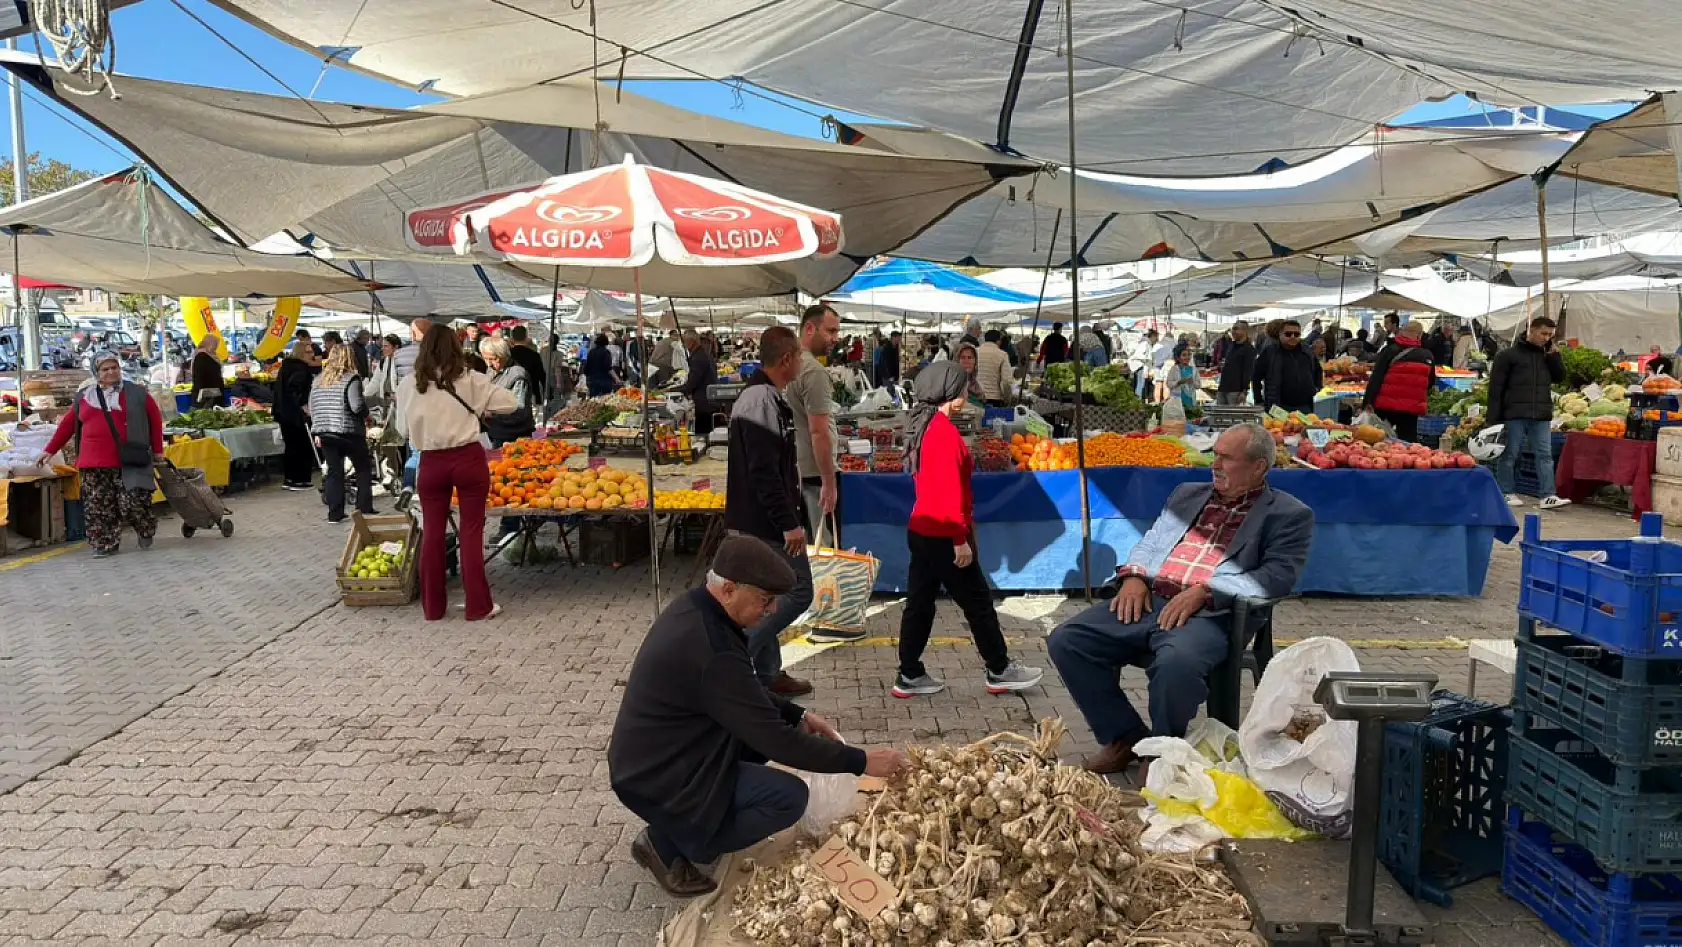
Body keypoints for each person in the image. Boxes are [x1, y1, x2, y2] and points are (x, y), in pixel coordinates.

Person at [609, 536, 908, 896]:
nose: (770, 611)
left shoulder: (698, 608)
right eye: (765, 601)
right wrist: (859, 761)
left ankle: (685, 826)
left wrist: (798, 713)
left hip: (658, 756)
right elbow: (777, 740)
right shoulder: (711, 645)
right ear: (730, 589)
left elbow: (742, 691)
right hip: (656, 774)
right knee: (788, 797)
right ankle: (672, 844)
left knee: (756, 739)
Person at [1049, 423, 1313, 774]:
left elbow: (1274, 578)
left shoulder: (1289, 514)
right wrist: (1135, 575)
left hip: (1212, 614)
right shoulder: (1187, 493)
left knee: (1177, 664)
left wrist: (1207, 592)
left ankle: (1163, 750)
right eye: (1214, 455)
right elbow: (1152, 541)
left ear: (1258, 467)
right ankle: (1125, 738)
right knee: (1067, 641)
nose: (1214, 465)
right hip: (1151, 598)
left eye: (1226, 458)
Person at [893, 361, 1044, 698]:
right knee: (977, 601)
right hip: (943, 532)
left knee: (920, 602)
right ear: (952, 394)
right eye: (963, 387)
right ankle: (1000, 668)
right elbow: (948, 492)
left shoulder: (924, 425)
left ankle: (909, 672)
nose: (967, 392)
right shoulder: (943, 433)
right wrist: (960, 540)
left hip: (923, 528)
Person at [397, 324, 520, 621]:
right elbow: (511, 403)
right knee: (471, 532)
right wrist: (481, 407)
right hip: (467, 459)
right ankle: (479, 606)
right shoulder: (471, 379)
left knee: (432, 535)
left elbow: (401, 429)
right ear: (455, 347)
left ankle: (433, 608)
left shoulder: (409, 384)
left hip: (431, 463)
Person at [724, 327, 817, 695]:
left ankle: (767, 674)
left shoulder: (764, 396)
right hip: (762, 523)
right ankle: (737, 656)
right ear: (787, 359)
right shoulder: (761, 401)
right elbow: (763, 472)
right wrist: (788, 523)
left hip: (759, 520)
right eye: (798, 355)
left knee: (770, 596)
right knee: (798, 591)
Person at [38, 351, 165, 558]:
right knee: (97, 506)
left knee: (133, 501)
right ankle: (104, 543)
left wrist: (158, 450)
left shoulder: (137, 393)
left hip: (128, 459)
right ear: (97, 372)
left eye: (114, 367)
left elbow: (155, 420)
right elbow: (68, 425)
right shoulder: (84, 396)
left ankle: (145, 527)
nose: (111, 372)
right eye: (105, 369)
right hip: (92, 461)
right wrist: (49, 450)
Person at [1488, 317, 1571, 510]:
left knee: (1545, 455)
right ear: (1530, 331)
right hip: (1514, 413)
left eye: (1550, 334)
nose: (1546, 338)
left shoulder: (1547, 355)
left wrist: (1555, 357)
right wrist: (1493, 419)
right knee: (1510, 454)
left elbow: (1560, 378)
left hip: (1540, 413)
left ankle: (1548, 495)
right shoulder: (1507, 355)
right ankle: (1506, 491)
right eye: (1543, 333)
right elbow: (1495, 388)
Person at [308, 345, 376, 524]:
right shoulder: (351, 378)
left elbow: (312, 407)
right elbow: (357, 406)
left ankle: (335, 513)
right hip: (349, 431)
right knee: (362, 468)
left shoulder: (318, 380)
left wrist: (317, 430)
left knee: (334, 472)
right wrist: (367, 416)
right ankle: (364, 507)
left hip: (325, 432)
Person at [1362, 322, 1436, 443]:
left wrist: (1367, 402)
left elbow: (1376, 378)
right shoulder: (1427, 356)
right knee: (1407, 443)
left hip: (1385, 406)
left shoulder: (1389, 351)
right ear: (1419, 335)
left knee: (1381, 439)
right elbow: (1430, 382)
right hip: (1411, 408)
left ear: (1401, 332)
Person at [274, 341, 318, 491]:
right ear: (301, 353)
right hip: (295, 415)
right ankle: (300, 479)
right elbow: (294, 388)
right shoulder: (300, 368)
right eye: (309, 352)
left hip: (284, 413)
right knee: (302, 446)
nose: (312, 355)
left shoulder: (286, 366)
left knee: (291, 446)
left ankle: (290, 478)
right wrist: (303, 404)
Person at [480, 337, 536, 446]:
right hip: (495, 432)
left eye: (492, 359)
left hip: (514, 436)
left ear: (503, 355)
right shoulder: (491, 370)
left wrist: (491, 413)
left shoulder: (518, 375)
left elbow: (519, 410)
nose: (489, 364)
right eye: (485, 359)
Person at [1258, 320, 1322, 413]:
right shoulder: (1270, 352)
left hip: (1305, 405)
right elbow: (1256, 376)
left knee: (1305, 427)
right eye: (1288, 334)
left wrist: (1317, 387)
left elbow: (1318, 370)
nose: (1293, 337)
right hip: (1279, 406)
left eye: (1296, 334)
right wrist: (1258, 401)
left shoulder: (1307, 351)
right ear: (1280, 334)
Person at [678, 329, 719, 440]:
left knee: (703, 436)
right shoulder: (703, 354)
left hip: (704, 403)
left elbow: (691, 384)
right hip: (710, 400)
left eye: (685, 342)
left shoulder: (698, 358)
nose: (684, 345)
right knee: (708, 434)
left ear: (691, 342)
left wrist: (672, 390)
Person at [506, 325, 548, 408]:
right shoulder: (534, 355)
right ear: (526, 337)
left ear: (512, 338)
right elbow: (541, 376)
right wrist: (546, 394)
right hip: (531, 393)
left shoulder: (508, 355)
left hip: (510, 393)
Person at [1215, 322, 1255, 406]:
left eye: (1236, 329)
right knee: (1219, 416)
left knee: (1232, 417)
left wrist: (1244, 391)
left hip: (1235, 390)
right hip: (1222, 387)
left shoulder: (1249, 349)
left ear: (1245, 331)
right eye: (1233, 329)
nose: (1233, 331)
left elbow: (1247, 371)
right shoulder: (1231, 346)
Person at [975, 329, 1014, 406]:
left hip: (975, 396)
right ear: (998, 341)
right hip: (994, 398)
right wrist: (1007, 398)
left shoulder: (975, 351)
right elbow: (1006, 381)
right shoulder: (1002, 355)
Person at [189, 335, 225, 408]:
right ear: (210, 344)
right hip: (205, 396)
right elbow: (199, 377)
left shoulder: (211, 355)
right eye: (215, 344)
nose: (216, 347)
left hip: (213, 394)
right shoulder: (201, 356)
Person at [392, 318, 430, 383]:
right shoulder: (438, 354)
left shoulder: (398, 354)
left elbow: (393, 380)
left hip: (405, 391)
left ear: (413, 334)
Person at [1163, 344, 1199, 411]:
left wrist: (1193, 382)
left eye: (1189, 355)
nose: (1187, 357)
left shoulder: (1194, 369)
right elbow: (1168, 384)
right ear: (1178, 357)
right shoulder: (1174, 369)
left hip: (1190, 401)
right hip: (1177, 400)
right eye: (1184, 355)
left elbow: (1198, 385)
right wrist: (1178, 382)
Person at [953, 341, 986, 406]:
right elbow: (942, 413)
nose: (967, 361)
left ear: (975, 361)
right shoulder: (950, 385)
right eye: (963, 357)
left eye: (970, 357)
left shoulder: (978, 385)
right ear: (957, 361)